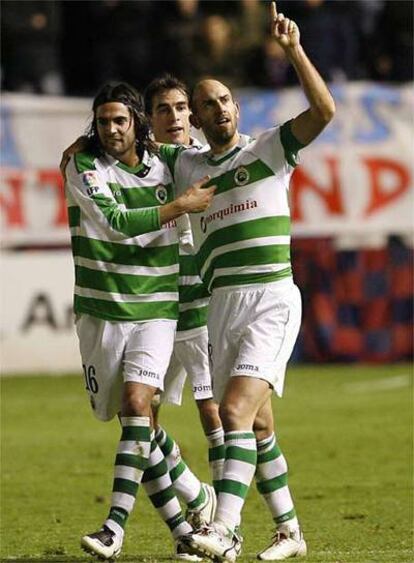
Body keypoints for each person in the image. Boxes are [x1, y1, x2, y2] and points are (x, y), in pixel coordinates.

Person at [159, 3, 336, 561]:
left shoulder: (269, 150)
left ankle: (226, 528)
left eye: (223, 99)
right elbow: (125, 148)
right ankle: (290, 532)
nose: (217, 108)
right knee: (257, 426)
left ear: (237, 107)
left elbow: (325, 111)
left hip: (270, 298)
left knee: (231, 414)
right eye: (205, 104)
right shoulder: (186, 167)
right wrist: (82, 144)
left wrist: (292, 49)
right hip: (220, 306)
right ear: (199, 118)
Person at [63, 81, 216, 561]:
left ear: (137, 124)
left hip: (156, 308)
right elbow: (116, 221)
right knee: (135, 428)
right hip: (101, 311)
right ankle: (190, 506)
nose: (112, 129)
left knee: (136, 407)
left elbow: (214, 160)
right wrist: (180, 207)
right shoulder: (83, 166)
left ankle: (114, 527)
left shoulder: (168, 162)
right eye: (104, 121)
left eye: (121, 120)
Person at [144, 74, 225, 497]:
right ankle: (196, 493)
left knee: (211, 408)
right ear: (148, 118)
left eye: (180, 107)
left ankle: (227, 520)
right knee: (142, 411)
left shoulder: (202, 159)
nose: (174, 116)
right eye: (163, 109)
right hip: (154, 300)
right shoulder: (138, 166)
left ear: (192, 115)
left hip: (197, 294)